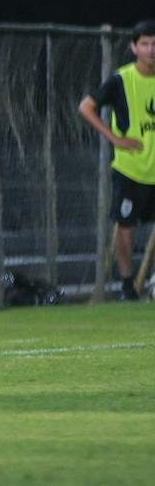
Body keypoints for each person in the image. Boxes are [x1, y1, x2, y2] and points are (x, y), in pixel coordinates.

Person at [76, 20, 155, 301]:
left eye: (154, 43)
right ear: (134, 47)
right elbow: (86, 107)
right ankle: (126, 284)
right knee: (126, 227)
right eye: (145, 44)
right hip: (131, 169)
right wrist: (115, 138)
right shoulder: (122, 79)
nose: (150, 49)